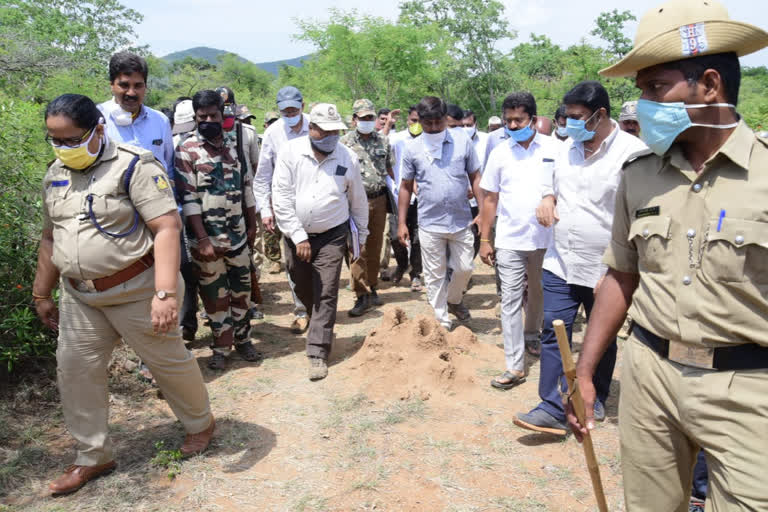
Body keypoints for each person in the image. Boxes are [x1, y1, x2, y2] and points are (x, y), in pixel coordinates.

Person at [567, 2, 768, 510]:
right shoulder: (638, 176)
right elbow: (621, 275)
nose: (644, 106)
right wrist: (586, 372)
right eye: (641, 91)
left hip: (750, 385)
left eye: (656, 88)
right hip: (649, 374)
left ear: (710, 85)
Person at [35, 94, 214, 495]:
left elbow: (167, 227)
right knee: (75, 371)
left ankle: (200, 424)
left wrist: (165, 293)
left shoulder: (134, 165)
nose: (63, 147)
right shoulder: (54, 174)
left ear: (98, 130)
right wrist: (41, 293)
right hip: (80, 296)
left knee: (168, 363)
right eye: (55, 140)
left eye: (72, 139)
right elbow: (50, 237)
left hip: (137, 289)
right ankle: (92, 455)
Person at [514, 80, 647, 436]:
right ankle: (551, 405)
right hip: (560, 260)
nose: (569, 123)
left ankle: (596, 396)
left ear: (599, 115)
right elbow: (549, 182)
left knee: (600, 335)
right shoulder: (564, 149)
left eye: (577, 117)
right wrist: (547, 198)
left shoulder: (633, 154)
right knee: (553, 330)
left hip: (606, 266)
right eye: (567, 117)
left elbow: (638, 215)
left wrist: (617, 268)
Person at [272, 103, 369, 381]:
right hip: (296, 235)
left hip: (332, 234)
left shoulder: (347, 156)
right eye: (324, 131)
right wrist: (298, 235)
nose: (330, 136)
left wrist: (360, 237)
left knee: (326, 290)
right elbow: (281, 197)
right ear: (311, 128)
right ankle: (319, 322)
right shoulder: (291, 152)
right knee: (302, 285)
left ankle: (317, 350)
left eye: (335, 131)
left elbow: (357, 200)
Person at [175, 90, 262, 370]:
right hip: (207, 241)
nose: (208, 121)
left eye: (213, 115)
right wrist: (202, 239)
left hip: (238, 235)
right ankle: (221, 348)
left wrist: (252, 224)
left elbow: (246, 186)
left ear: (221, 114)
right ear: (195, 117)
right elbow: (189, 199)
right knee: (215, 297)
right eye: (202, 117)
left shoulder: (233, 143)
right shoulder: (186, 150)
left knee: (242, 291)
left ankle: (244, 340)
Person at [479, 92, 560, 389]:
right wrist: (485, 238)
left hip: (546, 238)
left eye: (519, 120)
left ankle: (532, 335)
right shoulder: (500, 153)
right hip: (510, 238)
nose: (513, 126)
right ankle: (515, 365)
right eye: (508, 120)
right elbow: (490, 198)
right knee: (511, 298)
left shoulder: (555, 148)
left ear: (534, 120)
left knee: (538, 292)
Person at [398, 96, 482, 329]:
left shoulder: (462, 141)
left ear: (446, 119)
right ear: (420, 121)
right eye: (428, 123)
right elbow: (405, 186)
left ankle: (453, 300)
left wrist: (483, 211)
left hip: (461, 219)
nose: (434, 128)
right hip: (429, 221)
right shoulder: (412, 148)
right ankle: (441, 321)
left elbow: (475, 176)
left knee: (465, 268)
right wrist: (402, 222)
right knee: (435, 273)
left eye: (438, 122)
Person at [253, 86, 311, 333]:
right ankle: (302, 310)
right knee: (295, 263)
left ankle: (320, 310)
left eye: (294, 111)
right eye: (285, 111)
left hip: (317, 203)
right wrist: (266, 210)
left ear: (302, 107)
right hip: (287, 207)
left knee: (320, 261)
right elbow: (262, 176)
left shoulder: (316, 126)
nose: (290, 115)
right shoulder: (273, 133)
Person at [341, 99, 394, 316]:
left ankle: (372, 287)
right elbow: (339, 173)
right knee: (357, 248)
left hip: (379, 199)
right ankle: (361, 294)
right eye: (363, 118)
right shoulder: (344, 143)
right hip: (354, 201)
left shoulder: (383, 141)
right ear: (355, 119)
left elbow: (389, 168)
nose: (368, 121)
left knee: (374, 246)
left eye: (371, 117)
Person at [216, 86, 264, 322]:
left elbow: (256, 168)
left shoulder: (248, 133)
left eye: (228, 107)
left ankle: (250, 301)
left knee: (248, 254)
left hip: (245, 202)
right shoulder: (207, 132)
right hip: (217, 205)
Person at [98, 52, 174, 177]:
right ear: (112, 85)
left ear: (146, 86)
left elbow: (169, 166)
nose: (131, 93)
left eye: (138, 86)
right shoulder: (97, 119)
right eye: (124, 85)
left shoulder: (160, 120)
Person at [383, 106, 423, 290]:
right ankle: (401, 265)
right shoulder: (397, 139)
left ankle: (415, 274)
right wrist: (388, 125)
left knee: (417, 238)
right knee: (395, 236)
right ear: (408, 120)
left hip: (421, 197)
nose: (417, 124)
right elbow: (379, 143)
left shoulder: (429, 140)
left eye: (420, 121)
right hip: (397, 196)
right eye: (414, 120)